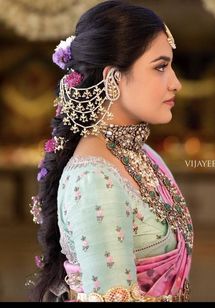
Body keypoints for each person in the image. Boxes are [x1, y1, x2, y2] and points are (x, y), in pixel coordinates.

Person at [28, 0, 193, 302]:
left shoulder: (143, 154)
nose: (176, 84)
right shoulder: (94, 179)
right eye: (160, 67)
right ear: (113, 78)